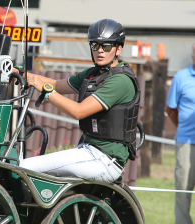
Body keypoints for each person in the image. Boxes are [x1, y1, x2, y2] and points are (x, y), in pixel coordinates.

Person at [21, 19, 139, 182]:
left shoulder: (120, 81)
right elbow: (56, 84)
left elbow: (78, 111)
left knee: (24, 167)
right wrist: (22, 74)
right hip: (88, 151)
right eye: (95, 45)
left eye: (106, 46)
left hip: (104, 160)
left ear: (118, 48)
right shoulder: (94, 74)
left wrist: (46, 91)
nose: (100, 51)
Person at [165, 44, 195, 224]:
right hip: (186, 141)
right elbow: (171, 109)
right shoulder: (181, 77)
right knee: (183, 185)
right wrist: (183, 127)